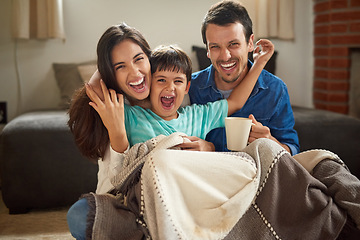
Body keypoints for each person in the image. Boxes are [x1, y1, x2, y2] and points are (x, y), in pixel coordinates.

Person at [86, 42, 272, 152]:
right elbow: (94, 89)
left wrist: (259, 63)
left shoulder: (198, 115)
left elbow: (235, 102)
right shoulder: (132, 116)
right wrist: (121, 54)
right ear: (149, 83)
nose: (170, 87)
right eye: (161, 80)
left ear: (187, 87)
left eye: (177, 81)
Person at [188, 0, 300, 155]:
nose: (225, 56)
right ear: (207, 50)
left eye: (233, 44)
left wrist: (270, 141)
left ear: (250, 43)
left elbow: (292, 151)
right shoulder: (190, 87)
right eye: (215, 47)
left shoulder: (275, 89)